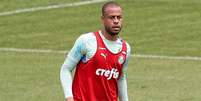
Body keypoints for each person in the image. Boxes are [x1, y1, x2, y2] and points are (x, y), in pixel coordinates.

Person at [60, 1, 131, 101]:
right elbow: (65, 69)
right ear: (103, 19)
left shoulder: (125, 49)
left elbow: (121, 77)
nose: (116, 21)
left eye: (119, 17)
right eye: (112, 17)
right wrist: (69, 97)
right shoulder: (87, 41)